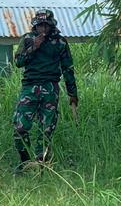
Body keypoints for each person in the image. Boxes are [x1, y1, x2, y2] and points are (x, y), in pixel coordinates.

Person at [12, 9, 78, 169]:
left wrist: (72, 94)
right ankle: (25, 162)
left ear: (51, 26)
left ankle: (41, 165)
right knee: (20, 127)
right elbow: (19, 62)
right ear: (35, 25)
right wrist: (33, 47)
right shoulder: (28, 39)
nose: (43, 29)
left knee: (46, 129)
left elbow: (68, 68)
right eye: (40, 25)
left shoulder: (60, 42)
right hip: (30, 86)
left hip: (50, 88)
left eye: (45, 26)